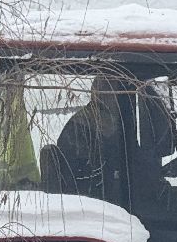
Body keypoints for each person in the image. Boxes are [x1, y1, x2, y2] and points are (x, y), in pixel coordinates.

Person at [55, 76, 131, 204]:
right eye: (112, 92)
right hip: (95, 206)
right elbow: (84, 180)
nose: (115, 98)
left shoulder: (118, 120)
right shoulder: (82, 127)